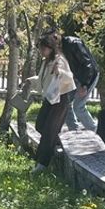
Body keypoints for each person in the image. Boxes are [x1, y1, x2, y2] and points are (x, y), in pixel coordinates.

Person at [28, 31, 76, 173]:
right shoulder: (45, 61)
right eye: (40, 48)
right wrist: (30, 81)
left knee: (49, 130)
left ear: (50, 47)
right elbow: (43, 80)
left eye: (44, 48)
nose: (42, 51)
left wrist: (59, 72)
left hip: (61, 98)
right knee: (40, 125)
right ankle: (56, 142)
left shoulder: (59, 60)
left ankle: (42, 163)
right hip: (50, 97)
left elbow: (69, 77)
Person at [60, 33, 100, 131]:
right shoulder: (59, 48)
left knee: (78, 107)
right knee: (65, 102)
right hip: (76, 77)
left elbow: (87, 64)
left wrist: (84, 85)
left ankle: (95, 131)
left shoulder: (73, 43)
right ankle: (74, 130)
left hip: (89, 76)